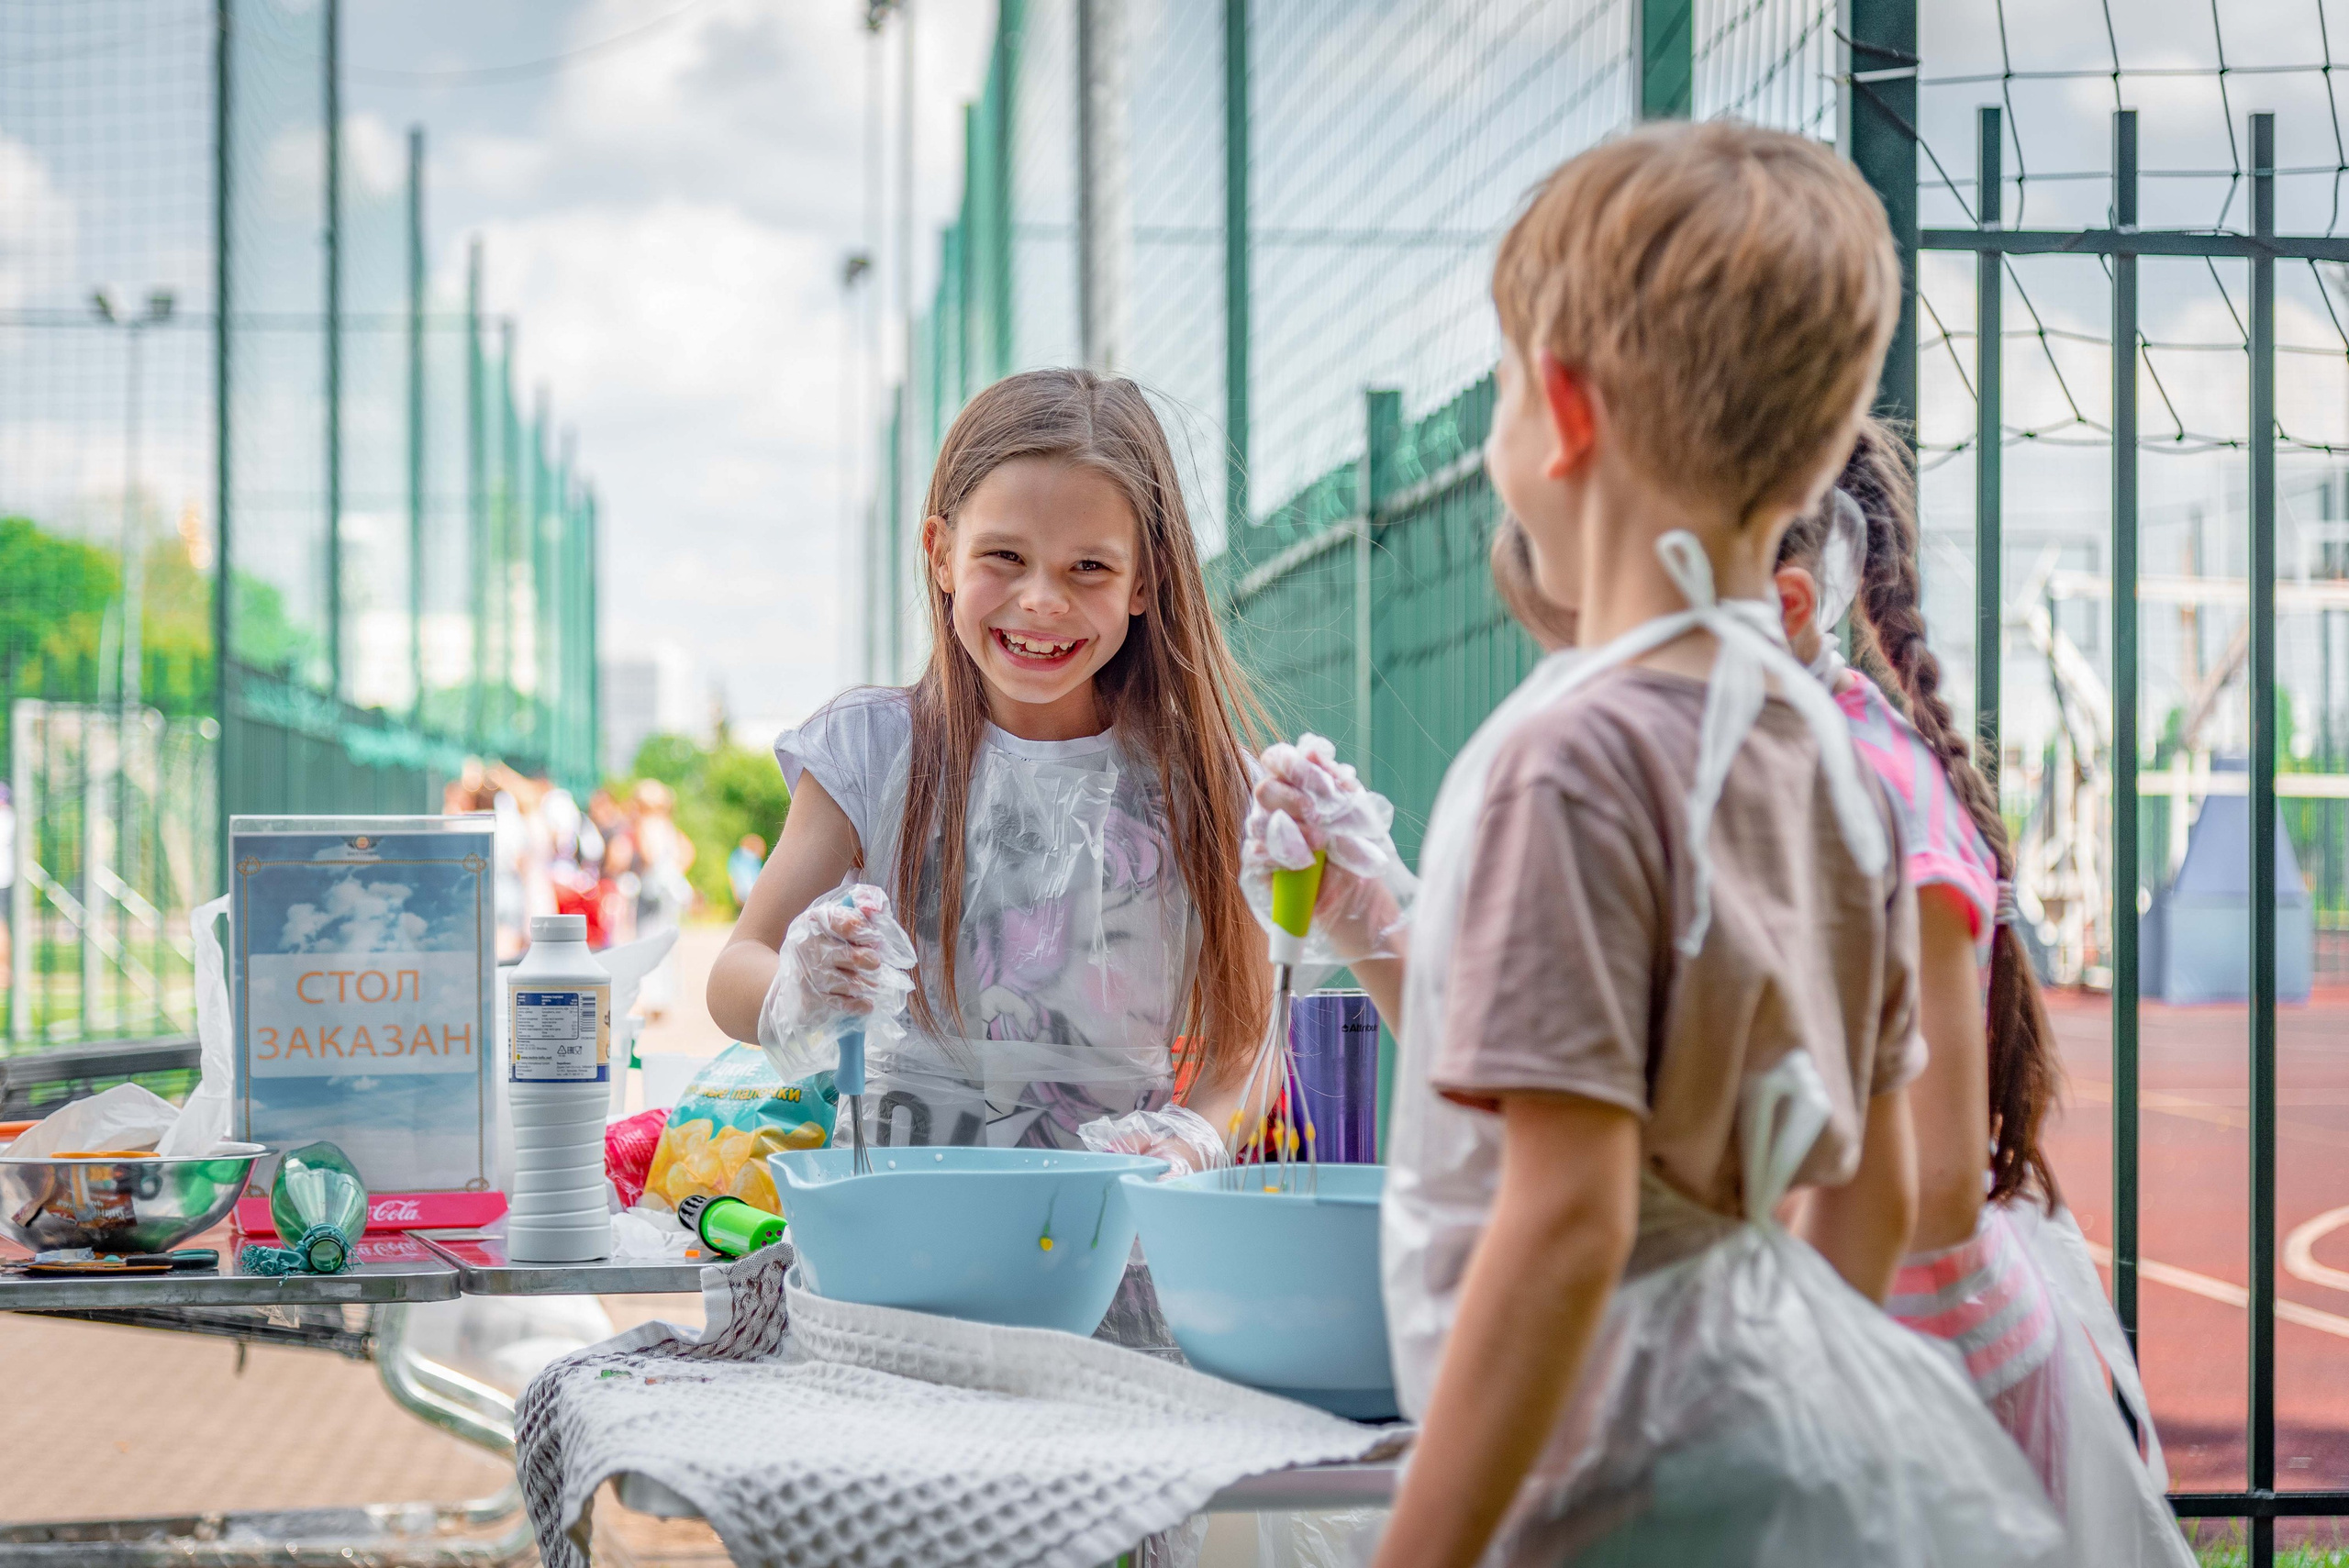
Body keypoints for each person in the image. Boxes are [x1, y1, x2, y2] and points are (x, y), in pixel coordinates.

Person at [1259, 122, 2063, 1567]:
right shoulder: (1824, 748)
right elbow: (1867, 1186)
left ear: (1559, 411)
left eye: (1503, 384)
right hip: (1767, 1464)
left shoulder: (1564, 761)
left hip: (1600, 1482)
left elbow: (1566, 1225)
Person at [1775, 420, 2194, 1564]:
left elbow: (1939, 1176)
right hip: (1868, 1372)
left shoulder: (1870, 784)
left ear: (1786, 606)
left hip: (1932, 1395)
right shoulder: (1774, 763)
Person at [706, 367, 1266, 1162]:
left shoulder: (1205, 782)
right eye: (1004, 555)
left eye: (1089, 567)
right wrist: (804, 984)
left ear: (1148, 580)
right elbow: (733, 972)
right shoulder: (869, 750)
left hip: (1109, 1251)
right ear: (940, 553)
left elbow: (1245, 1045)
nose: (1042, 599)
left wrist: (1190, 1142)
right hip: (893, 1238)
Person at [728, 834, 767, 910]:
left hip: (745, 890)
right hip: (750, 890)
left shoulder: (736, 856)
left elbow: (732, 874)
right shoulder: (752, 858)